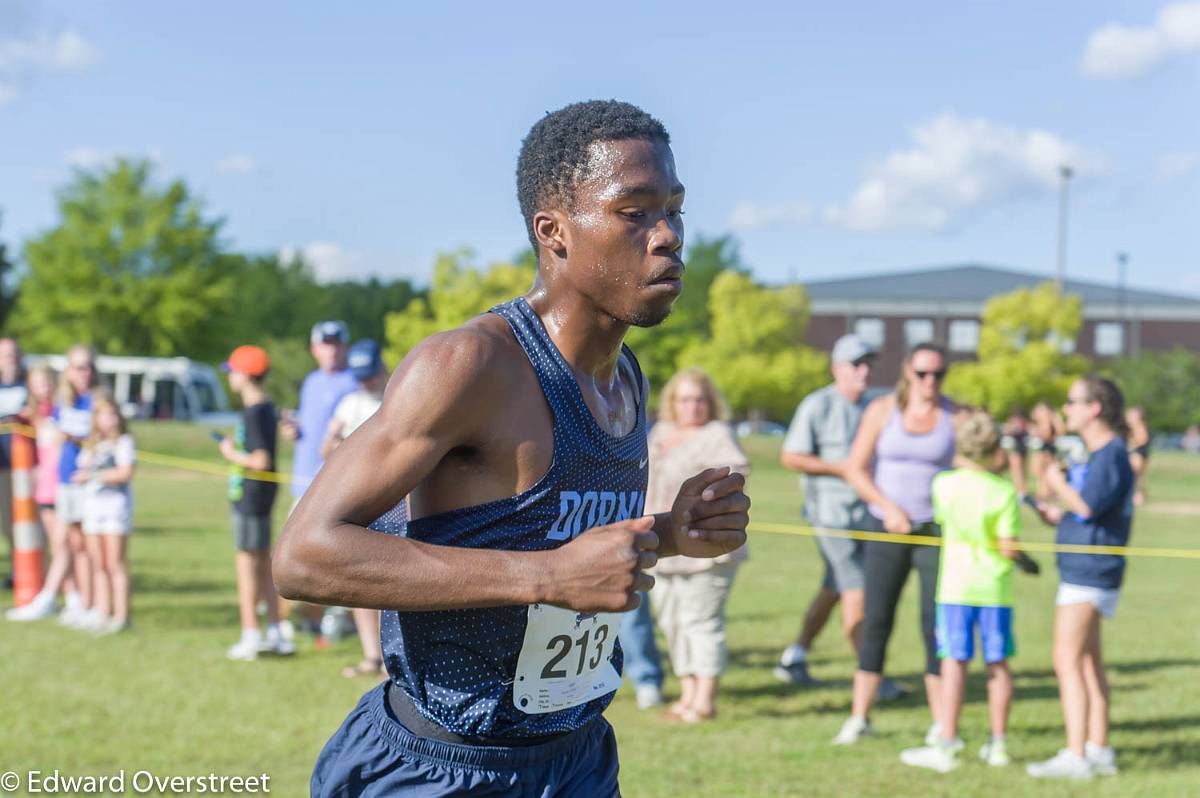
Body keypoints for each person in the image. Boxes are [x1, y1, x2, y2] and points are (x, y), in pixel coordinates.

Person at [274, 99, 750, 797]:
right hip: (439, 767)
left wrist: (672, 535)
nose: (668, 236)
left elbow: (561, 541)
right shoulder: (470, 365)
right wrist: (548, 580)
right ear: (553, 231)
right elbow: (304, 555)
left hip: (576, 759)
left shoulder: (625, 378)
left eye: (674, 209)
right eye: (634, 211)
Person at [835, 342, 956, 746]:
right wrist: (888, 508)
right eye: (922, 373)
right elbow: (855, 468)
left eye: (937, 374)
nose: (929, 382)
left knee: (934, 625)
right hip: (886, 527)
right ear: (908, 372)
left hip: (936, 532)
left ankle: (942, 724)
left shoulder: (955, 416)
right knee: (876, 622)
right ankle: (859, 717)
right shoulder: (883, 411)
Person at [772, 334, 903, 701]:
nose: (864, 371)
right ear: (836, 369)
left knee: (834, 588)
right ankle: (872, 677)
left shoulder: (876, 407)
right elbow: (791, 457)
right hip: (829, 516)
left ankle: (793, 657)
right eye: (856, 364)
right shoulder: (818, 405)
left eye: (868, 364)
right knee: (857, 589)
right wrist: (844, 469)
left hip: (867, 515)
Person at [899, 410, 1029, 773]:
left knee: (954, 664)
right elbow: (1009, 548)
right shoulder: (1003, 491)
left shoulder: (944, 484)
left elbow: (944, 519)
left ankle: (947, 740)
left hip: (955, 587)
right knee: (997, 664)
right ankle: (999, 743)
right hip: (994, 590)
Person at [1026, 377, 1133, 780]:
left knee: (1066, 660)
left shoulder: (1111, 453)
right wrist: (1055, 510)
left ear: (1095, 408)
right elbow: (1084, 509)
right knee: (1088, 663)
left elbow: (1087, 506)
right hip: (1085, 566)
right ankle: (1099, 747)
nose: (1066, 409)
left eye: (1072, 402)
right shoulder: (1098, 454)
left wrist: (1057, 483)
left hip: (1090, 571)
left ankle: (1076, 756)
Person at [648, 368, 750, 723]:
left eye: (700, 399)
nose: (692, 407)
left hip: (706, 548)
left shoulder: (717, 435)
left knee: (700, 621)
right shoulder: (659, 433)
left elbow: (735, 477)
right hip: (661, 545)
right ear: (673, 402)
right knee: (672, 620)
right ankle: (687, 693)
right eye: (685, 399)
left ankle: (704, 700)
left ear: (711, 403)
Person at [278, 320, 357, 640]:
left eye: (337, 343)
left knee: (329, 555)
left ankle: (341, 621)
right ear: (314, 349)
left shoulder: (353, 382)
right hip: (302, 481)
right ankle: (312, 620)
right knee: (295, 552)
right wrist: (293, 428)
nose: (332, 349)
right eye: (326, 344)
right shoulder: (311, 382)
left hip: (335, 485)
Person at [319, 339, 389, 678]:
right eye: (360, 377)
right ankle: (371, 654)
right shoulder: (350, 404)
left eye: (370, 376)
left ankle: (394, 658)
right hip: (360, 503)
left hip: (395, 503)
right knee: (362, 578)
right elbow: (326, 447)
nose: (366, 383)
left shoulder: (399, 399)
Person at [219, 345, 292, 661]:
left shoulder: (253, 411)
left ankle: (251, 634)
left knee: (248, 565)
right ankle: (275, 632)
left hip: (251, 497)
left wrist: (229, 452)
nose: (230, 378)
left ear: (246, 375)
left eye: (233, 372)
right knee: (262, 562)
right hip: (257, 496)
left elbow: (260, 460)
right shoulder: (266, 409)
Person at [73, 396, 135, 634]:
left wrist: (94, 476)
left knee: (115, 564)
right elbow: (82, 469)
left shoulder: (124, 442)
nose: (108, 420)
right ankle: (102, 610)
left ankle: (121, 615)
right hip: (93, 508)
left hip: (115, 508)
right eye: (103, 414)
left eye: (112, 414)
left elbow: (125, 472)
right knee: (98, 563)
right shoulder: (92, 444)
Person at [52, 345, 99, 627]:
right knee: (70, 543)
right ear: (68, 371)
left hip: (88, 482)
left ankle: (93, 602)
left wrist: (73, 436)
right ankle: (79, 600)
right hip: (64, 480)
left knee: (87, 545)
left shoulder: (97, 400)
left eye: (89, 366)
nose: (85, 372)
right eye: (79, 367)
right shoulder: (64, 401)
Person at [0, 337, 28, 585]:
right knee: (7, 522)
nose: (9, 359)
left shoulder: (28, 384)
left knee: (27, 519)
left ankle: (29, 570)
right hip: (2, 464)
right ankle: (15, 569)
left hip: (25, 465)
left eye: (12, 354)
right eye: (4, 354)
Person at [1125, 405, 1150, 507]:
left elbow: (1143, 439)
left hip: (1138, 453)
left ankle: (1139, 496)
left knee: (1136, 475)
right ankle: (1138, 496)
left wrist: (1131, 446)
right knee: (1137, 476)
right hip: (1137, 453)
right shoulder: (1133, 427)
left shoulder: (1140, 426)